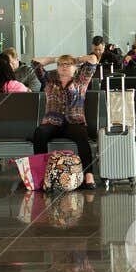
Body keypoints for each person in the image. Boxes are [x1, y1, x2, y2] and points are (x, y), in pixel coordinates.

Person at [31, 55, 96, 189]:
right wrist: (56, 59)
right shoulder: (49, 81)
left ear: (75, 67)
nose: (64, 66)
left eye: (68, 64)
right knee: (40, 132)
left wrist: (76, 60)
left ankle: (88, 175)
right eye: (61, 64)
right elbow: (35, 62)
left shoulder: (81, 81)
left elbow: (93, 59)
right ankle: (42, 175)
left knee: (82, 135)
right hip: (52, 122)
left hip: (74, 122)